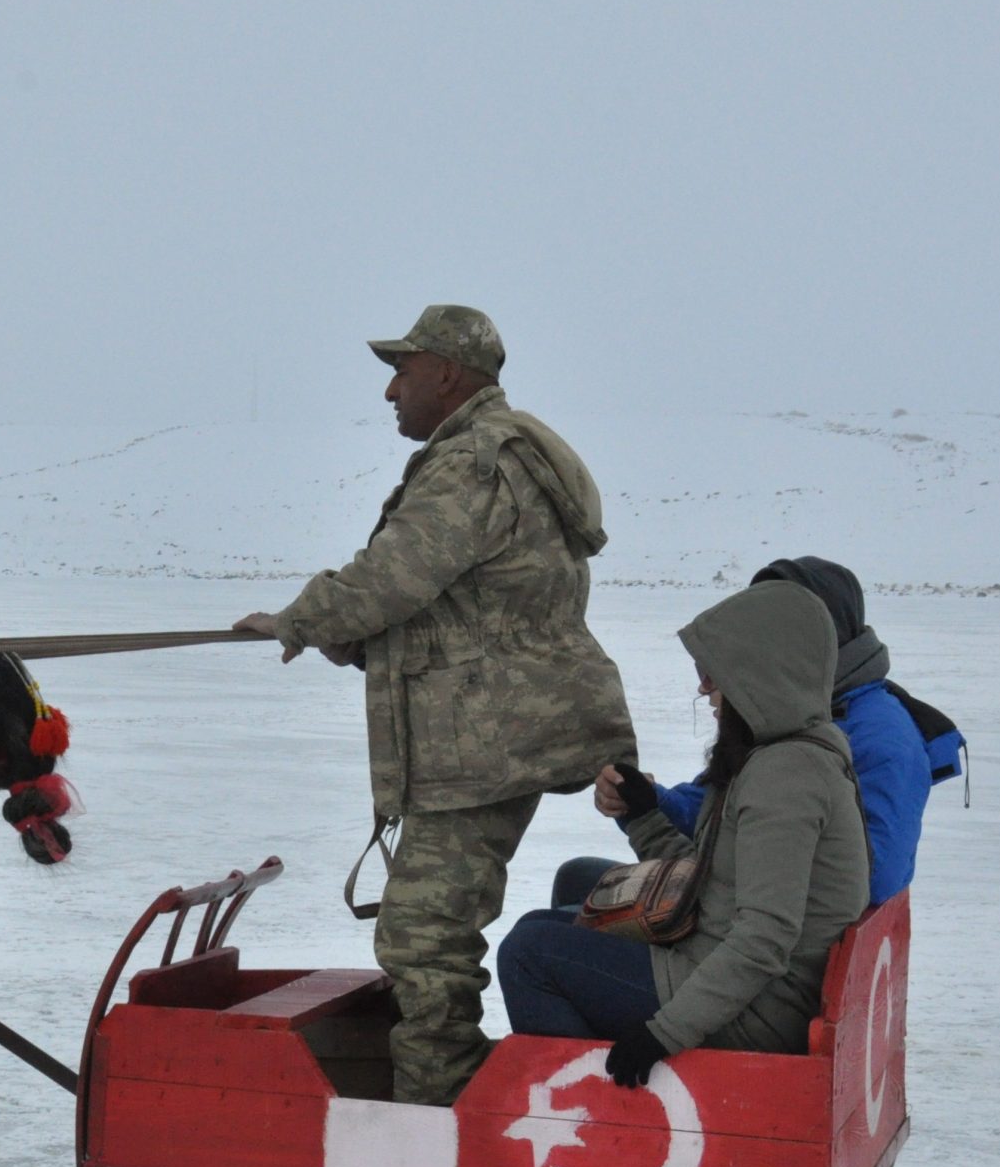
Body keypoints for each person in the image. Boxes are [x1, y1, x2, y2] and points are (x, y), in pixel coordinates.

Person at [234, 305, 633, 1106]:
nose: (391, 391)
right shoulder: (500, 452)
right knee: (431, 932)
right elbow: (461, 608)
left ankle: (442, 1117)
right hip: (499, 730)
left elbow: (392, 579)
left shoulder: (474, 462)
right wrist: (351, 638)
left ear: (448, 373)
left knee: (424, 938)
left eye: (404, 372)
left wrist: (301, 621)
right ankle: (446, 1104)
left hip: (487, 742)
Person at [497, 580, 868, 1086]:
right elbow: (712, 881)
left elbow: (765, 937)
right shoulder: (781, 758)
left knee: (529, 953)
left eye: (714, 674)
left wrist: (662, 1034)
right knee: (544, 925)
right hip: (732, 976)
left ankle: (591, 1106)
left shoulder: (786, 777)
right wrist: (643, 815)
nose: (704, 688)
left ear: (758, 677)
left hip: (756, 1011)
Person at [550, 554, 962, 912]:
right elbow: (721, 806)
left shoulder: (880, 737)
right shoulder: (790, 707)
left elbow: (873, 878)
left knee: (542, 942)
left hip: (777, 942)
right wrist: (650, 800)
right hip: (738, 907)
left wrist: (751, 864)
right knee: (579, 880)